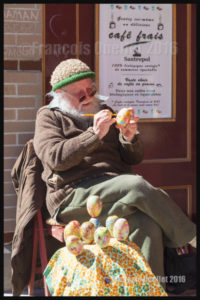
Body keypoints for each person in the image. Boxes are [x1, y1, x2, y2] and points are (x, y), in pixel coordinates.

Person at [33, 58, 196, 287]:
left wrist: (129, 138)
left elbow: (132, 158)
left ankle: (148, 291)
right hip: (73, 195)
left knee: (145, 225)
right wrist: (94, 135)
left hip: (114, 190)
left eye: (91, 90)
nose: (88, 97)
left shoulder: (105, 111)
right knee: (136, 186)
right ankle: (190, 238)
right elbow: (54, 158)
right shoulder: (49, 116)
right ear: (60, 94)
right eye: (80, 94)